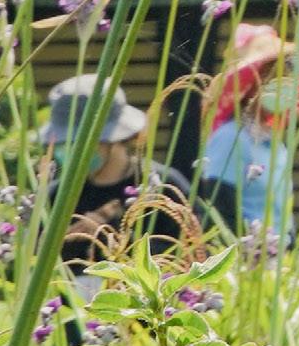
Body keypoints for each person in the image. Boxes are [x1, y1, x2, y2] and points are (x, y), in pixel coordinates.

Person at [39, 75, 190, 276]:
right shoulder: (56, 197)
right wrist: (66, 242)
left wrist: (112, 238)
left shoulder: (163, 186)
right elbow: (37, 263)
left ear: (115, 137)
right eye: (63, 143)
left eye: (78, 142)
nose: (68, 151)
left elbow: (193, 252)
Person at [196, 23, 297, 239]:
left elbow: (283, 211)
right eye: (272, 77)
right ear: (251, 84)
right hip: (250, 252)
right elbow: (220, 208)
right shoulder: (230, 137)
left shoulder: (274, 142)